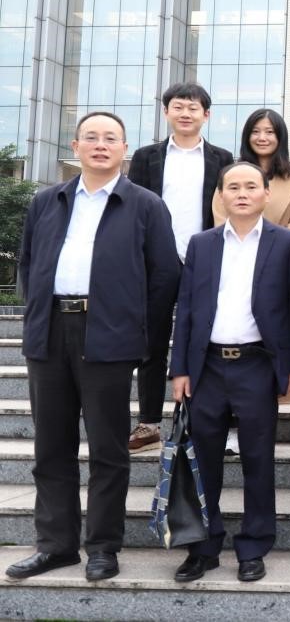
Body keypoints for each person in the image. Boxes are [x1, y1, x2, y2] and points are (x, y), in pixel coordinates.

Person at [8, 112, 179, 582]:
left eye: (110, 138)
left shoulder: (145, 205)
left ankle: (103, 546)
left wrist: (137, 329)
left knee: (108, 449)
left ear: (124, 148)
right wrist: (39, 313)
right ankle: (55, 545)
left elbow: (165, 275)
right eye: (91, 137)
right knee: (51, 447)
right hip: (49, 333)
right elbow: (28, 263)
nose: (100, 144)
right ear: (75, 146)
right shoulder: (47, 200)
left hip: (109, 335)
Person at [170, 162, 290, 584]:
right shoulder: (202, 244)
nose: (242, 193)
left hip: (257, 364)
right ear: (221, 196)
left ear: (267, 194)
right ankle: (203, 547)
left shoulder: (287, 243)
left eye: (251, 186)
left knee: (258, 460)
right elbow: (186, 307)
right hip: (207, 366)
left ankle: (253, 546)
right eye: (233, 187)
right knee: (203, 460)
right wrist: (180, 369)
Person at [127, 82, 233, 454]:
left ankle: (205, 422)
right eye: (178, 106)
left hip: (204, 258)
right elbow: (133, 211)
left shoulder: (222, 157)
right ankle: (149, 423)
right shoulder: (146, 157)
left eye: (193, 108)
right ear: (166, 112)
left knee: (207, 342)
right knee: (152, 343)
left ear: (207, 114)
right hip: (157, 261)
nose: (185, 113)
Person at [212, 108, 290, 456]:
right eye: (256, 131)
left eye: (270, 131)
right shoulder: (230, 174)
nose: (263, 137)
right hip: (232, 265)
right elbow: (221, 218)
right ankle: (231, 427)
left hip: (276, 272)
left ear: (280, 137)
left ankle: (257, 428)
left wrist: (269, 250)